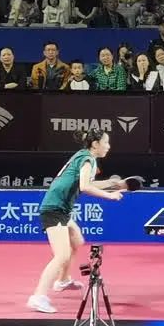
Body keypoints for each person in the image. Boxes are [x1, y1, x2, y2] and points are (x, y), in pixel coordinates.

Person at [27, 129, 125, 314]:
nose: (108, 146)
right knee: (61, 255)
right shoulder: (88, 159)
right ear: (95, 144)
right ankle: (38, 297)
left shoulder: (83, 156)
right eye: (106, 142)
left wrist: (115, 184)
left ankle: (62, 280)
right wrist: (109, 196)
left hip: (62, 209)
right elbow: (85, 186)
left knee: (76, 240)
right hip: (54, 209)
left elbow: (88, 182)